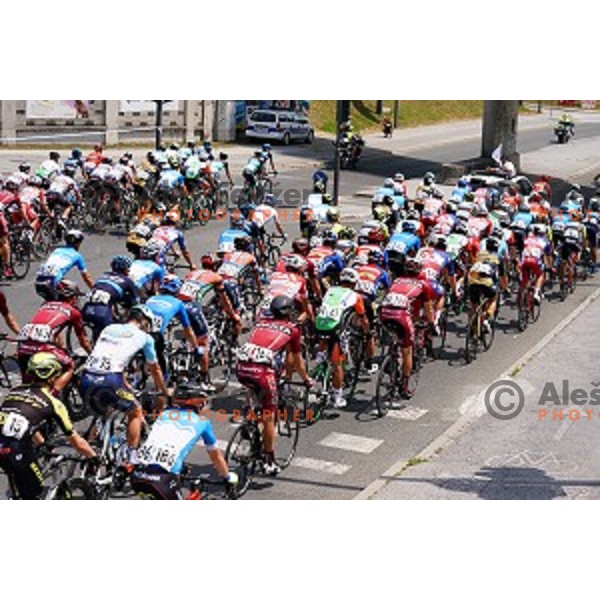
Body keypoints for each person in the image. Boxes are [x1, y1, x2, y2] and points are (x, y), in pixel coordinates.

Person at [0, 353, 97, 499]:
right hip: (16, 451)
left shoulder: (14, 392)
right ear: (54, 375)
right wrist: (93, 457)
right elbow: (77, 442)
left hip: (6, 444)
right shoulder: (54, 403)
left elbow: (25, 422)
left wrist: (43, 444)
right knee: (36, 495)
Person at [80, 305, 169, 463]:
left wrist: (126, 386)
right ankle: (132, 456)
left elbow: (113, 359)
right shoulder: (145, 337)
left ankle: (88, 455)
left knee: (101, 414)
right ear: (143, 321)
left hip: (86, 377)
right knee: (135, 412)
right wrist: (162, 390)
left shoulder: (109, 328)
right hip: (110, 380)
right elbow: (155, 369)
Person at [236, 296, 312, 475]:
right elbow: (296, 360)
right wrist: (306, 379)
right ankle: (269, 461)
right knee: (269, 415)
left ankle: (249, 416)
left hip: (241, 368)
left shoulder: (261, 323)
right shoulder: (292, 330)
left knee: (252, 388)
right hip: (262, 372)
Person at [131, 384, 238, 499]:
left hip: (137, 475)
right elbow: (215, 456)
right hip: (162, 481)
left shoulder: (165, 413)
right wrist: (227, 477)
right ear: (198, 403)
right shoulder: (202, 422)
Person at [17, 280, 93, 393]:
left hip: (23, 344)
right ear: (72, 297)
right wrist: (92, 355)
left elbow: (53, 331)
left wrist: (60, 348)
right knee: (70, 366)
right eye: (76, 297)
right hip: (42, 345)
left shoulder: (45, 305)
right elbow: (83, 340)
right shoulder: (73, 312)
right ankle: (49, 397)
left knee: (27, 381)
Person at [314, 267, 371, 408]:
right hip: (335, 329)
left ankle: (320, 356)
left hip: (319, 324)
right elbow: (362, 318)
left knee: (324, 338)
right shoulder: (355, 296)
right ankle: (337, 396)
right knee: (337, 364)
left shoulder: (331, 290)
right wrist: (368, 332)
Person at [379, 258, 436, 398]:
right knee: (407, 351)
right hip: (402, 316)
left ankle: (391, 356)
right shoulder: (423, 284)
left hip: (384, 313)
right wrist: (432, 324)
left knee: (393, 337)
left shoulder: (397, 280)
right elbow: (428, 309)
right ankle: (404, 387)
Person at [144, 274, 202, 381]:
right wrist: (196, 348)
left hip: (141, 332)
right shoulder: (178, 303)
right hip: (155, 337)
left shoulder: (151, 299)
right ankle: (163, 388)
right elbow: (188, 329)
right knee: (161, 368)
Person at [82, 255, 139, 341]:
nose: (129, 270)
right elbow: (135, 301)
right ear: (124, 269)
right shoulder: (128, 281)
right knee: (113, 335)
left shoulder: (104, 275)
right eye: (128, 268)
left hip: (86, 310)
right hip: (102, 314)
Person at [35, 229, 93, 301]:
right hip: (52, 283)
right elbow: (86, 277)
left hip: (39, 283)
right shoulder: (77, 256)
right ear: (78, 243)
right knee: (71, 295)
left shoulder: (57, 250)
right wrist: (94, 289)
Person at [467, 237, 502, 335]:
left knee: (474, 306)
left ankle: (471, 326)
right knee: (493, 299)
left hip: (473, 281)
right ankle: (486, 319)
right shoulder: (499, 257)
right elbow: (503, 277)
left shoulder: (479, 254)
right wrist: (504, 288)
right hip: (487, 282)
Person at [520, 224, 552, 305]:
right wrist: (550, 267)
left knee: (524, 281)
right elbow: (548, 256)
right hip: (535, 261)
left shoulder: (527, 239)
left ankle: (521, 296)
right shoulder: (545, 242)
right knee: (540, 275)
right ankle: (536, 293)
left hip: (524, 261)